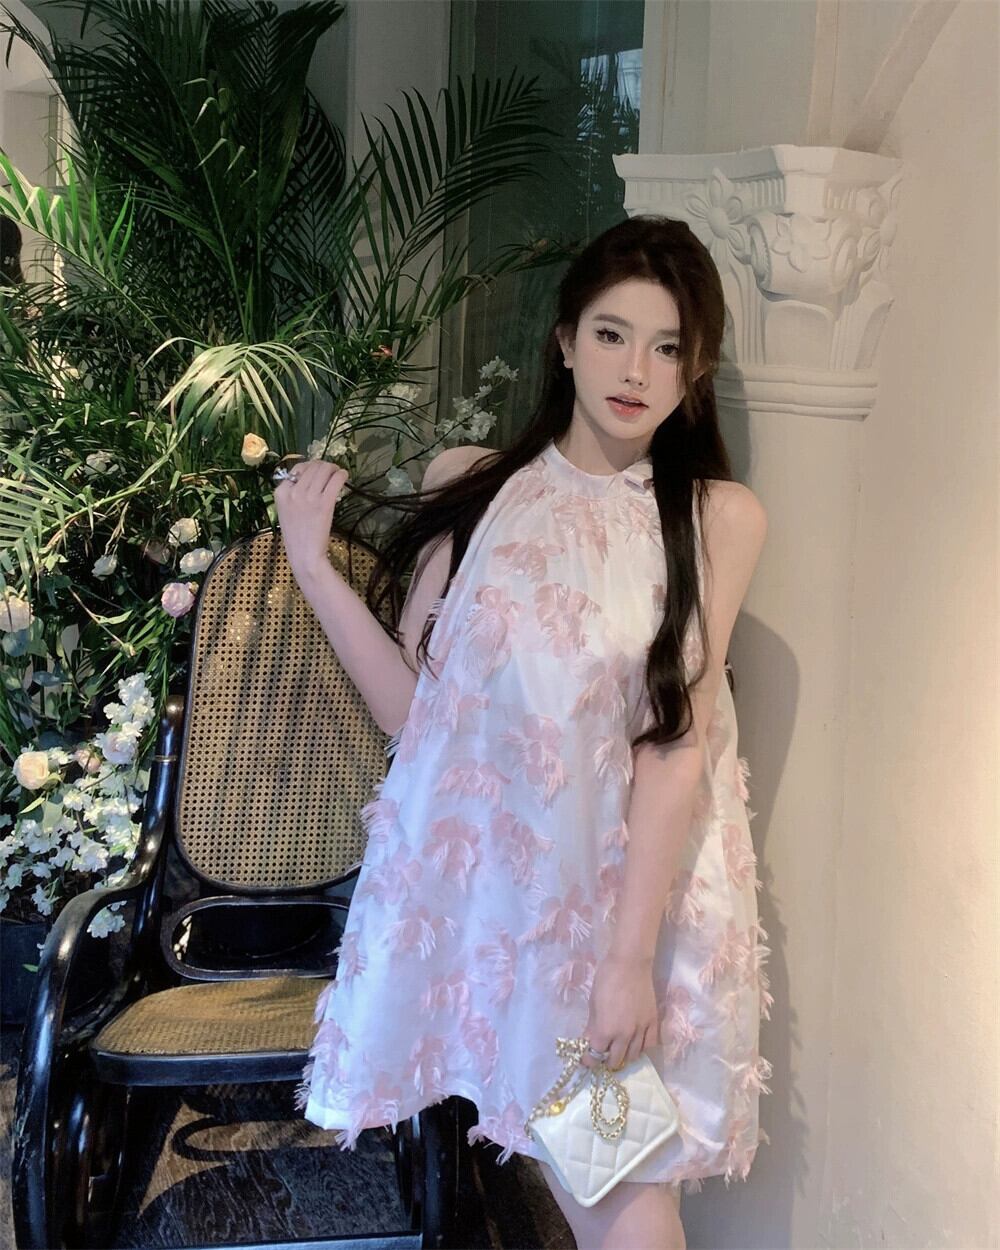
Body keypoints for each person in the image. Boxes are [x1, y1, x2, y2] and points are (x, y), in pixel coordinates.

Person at [273, 214, 771, 1250]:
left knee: (625, 1202)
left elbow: (677, 746)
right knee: (614, 1195)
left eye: (668, 346)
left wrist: (625, 959)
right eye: (611, 334)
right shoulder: (479, 482)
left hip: (615, 921)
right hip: (500, 910)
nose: (635, 370)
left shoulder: (714, 517)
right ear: (564, 340)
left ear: (695, 370)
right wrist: (314, 567)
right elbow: (417, 717)